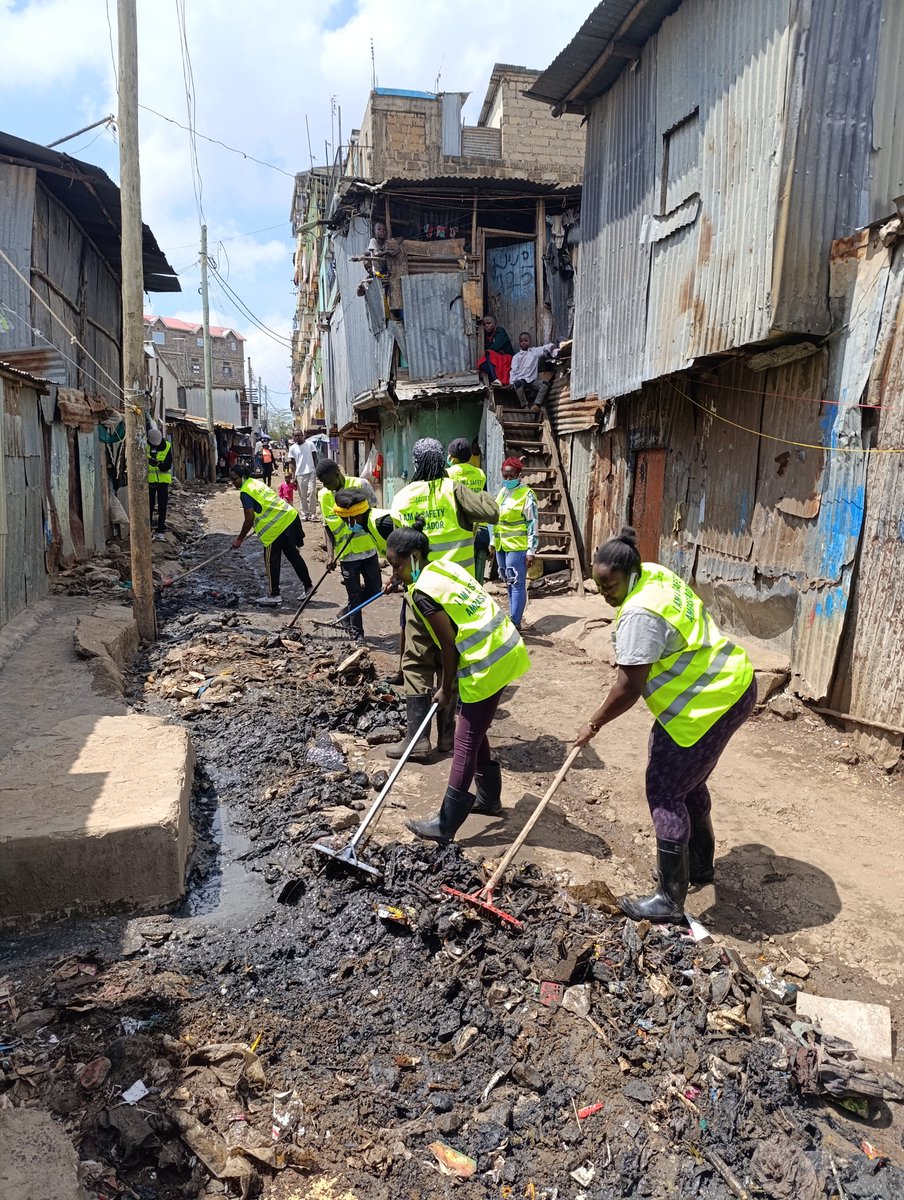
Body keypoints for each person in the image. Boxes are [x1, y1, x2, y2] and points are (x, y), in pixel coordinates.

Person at [574, 528, 757, 922]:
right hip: (727, 684)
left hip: (711, 701)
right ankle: (701, 868)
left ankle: (669, 900)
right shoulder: (652, 573)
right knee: (687, 780)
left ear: (630, 574)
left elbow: (628, 687)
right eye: (599, 585)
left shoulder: (640, 614)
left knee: (665, 789)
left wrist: (594, 724)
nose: (605, 593)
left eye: (611, 586)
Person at [384, 521, 530, 843]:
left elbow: (447, 646)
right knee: (474, 728)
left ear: (415, 556)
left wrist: (445, 689)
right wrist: (402, 582)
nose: (393, 572)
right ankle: (489, 799)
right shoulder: (443, 568)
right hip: (504, 646)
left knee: (464, 740)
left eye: (396, 565)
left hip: (487, 662)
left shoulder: (423, 594)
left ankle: (446, 825)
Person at [388, 438, 499, 760]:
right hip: (456, 593)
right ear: (444, 463)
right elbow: (493, 511)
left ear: (416, 463)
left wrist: (396, 578)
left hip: (421, 591)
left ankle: (418, 740)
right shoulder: (455, 491)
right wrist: (460, 484)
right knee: (451, 661)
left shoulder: (404, 497)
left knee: (417, 662)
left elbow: (399, 548)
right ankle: (448, 739)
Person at [230, 464, 313, 607]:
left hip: (276, 528)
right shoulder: (256, 483)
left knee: (271, 561)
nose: (233, 483)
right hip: (289, 517)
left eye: (234, 479)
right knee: (293, 555)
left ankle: (274, 595)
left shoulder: (245, 491)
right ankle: (308, 586)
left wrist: (239, 540)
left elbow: (249, 519)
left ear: (242, 477)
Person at [328, 487, 394, 641]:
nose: (346, 523)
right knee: (354, 596)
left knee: (375, 589)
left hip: (369, 553)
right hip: (348, 557)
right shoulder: (333, 501)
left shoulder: (375, 520)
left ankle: (346, 614)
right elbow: (328, 527)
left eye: (348, 520)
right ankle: (357, 635)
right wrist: (330, 556)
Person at [489, 457, 538, 630]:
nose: (508, 480)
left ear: (519, 475)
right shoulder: (502, 492)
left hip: (518, 547)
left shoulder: (527, 495)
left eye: (512, 476)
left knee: (517, 583)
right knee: (508, 582)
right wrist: (493, 542)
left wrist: (531, 550)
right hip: (502, 546)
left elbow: (532, 524)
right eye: (505, 476)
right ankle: (512, 617)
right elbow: (496, 520)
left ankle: (516, 622)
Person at [446, 436, 490, 584]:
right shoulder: (480, 473)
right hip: (481, 529)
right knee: (478, 578)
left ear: (452, 456)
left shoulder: (448, 474)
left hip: (460, 530)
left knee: (461, 577)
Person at [510, 332, 558, 411]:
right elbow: (513, 370)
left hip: (532, 381)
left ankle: (536, 404)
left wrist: (553, 345)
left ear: (530, 342)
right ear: (519, 343)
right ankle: (524, 405)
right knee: (517, 384)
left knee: (545, 384)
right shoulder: (516, 357)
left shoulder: (534, 352)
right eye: (521, 341)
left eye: (526, 341)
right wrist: (512, 382)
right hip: (521, 380)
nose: (523, 343)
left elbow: (544, 348)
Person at [147, 427, 173, 541]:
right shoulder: (145, 445)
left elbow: (167, 466)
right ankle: (148, 526)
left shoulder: (167, 446)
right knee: (149, 505)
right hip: (149, 480)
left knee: (162, 506)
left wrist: (158, 464)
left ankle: (161, 527)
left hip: (163, 481)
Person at [288, 430, 318, 520]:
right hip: (300, 474)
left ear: (303, 435)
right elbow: (292, 463)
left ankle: (313, 513)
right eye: (295, 436)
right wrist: (293, 476)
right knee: (303, 495)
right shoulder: (292, 448)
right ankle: (305, 513)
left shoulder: (310, 444)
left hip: (311, 471)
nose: (297, 437)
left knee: (312, 492)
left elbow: (315, 458)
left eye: (298, 435)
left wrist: (318, 470)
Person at [477, 314, 514, 386]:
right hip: (497, 357)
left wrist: (494, 350)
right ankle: (493, 379)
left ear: (495, 324)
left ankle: (495, 379)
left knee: (488, 353)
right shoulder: (486, 336)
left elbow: (494, 347)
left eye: (489, 323)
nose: (486, 326)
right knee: (482, 364)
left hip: (507, 357)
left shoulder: (500, 331)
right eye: (484, 325)